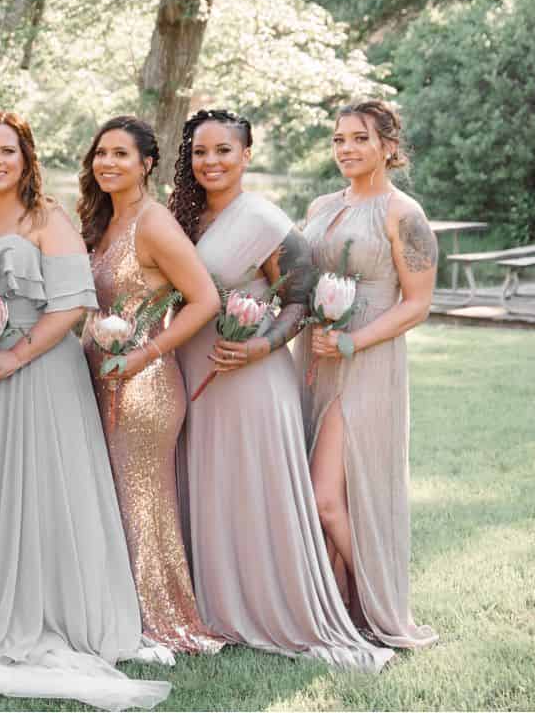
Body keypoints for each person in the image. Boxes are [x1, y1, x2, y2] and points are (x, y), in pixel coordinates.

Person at [0, 110, 169, 709]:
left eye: (7, 150)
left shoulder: (48, 218)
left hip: (41, 371)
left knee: (44, 487)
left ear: (26, 158)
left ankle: (53, 609)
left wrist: (13, 357)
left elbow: (72, 304)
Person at [167, 109, 392, 670]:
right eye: (200, 151)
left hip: (250, 377)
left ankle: (276, 605)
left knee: (253, 491)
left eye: (224, 150)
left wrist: (259, 346)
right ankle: (212, 603)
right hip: (193, 372)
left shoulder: (264, 220)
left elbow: (300, 297)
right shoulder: (180, 218)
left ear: (247, 155)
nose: (210, 161)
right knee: (210, 486)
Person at [79, 115, 224, 655]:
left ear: (146, 164)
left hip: (144, 386)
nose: (108, 163)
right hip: (97, 375)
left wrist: (142, 354)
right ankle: (118, 612)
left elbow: (205, 299)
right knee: (111, 499)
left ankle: (158, 621)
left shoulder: (154, 222)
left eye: (121, 154)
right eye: (101, 153)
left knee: (141, 501)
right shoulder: (104, 222)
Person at [298, 100, 439, 649]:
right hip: (315, 358)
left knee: (324, 498)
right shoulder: (320, 205)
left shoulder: (403, 213)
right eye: (338, 140)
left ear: (387, 146)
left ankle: (381, 604)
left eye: (359, 138)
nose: (347, 149)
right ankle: (341, 605)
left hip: (366, 362)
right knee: (333, 495)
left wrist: (353, 340)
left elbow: (419, 302)